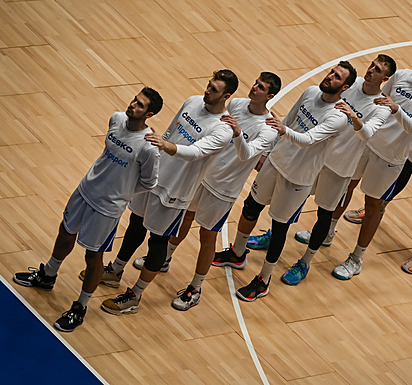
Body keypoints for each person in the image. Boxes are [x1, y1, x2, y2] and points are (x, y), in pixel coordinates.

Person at [13, 87, 163, 331]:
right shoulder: (116, 119)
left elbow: (149, 182)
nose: (133, 105)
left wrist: (121, 191)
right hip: (85, 190)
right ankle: (48, 275)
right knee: (65, 232)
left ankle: (80, 307)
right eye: (135, 100)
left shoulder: (148, 147)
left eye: (140, 105)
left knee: (93, 256)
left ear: (150, 114)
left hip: (108, 208)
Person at [97, 70, 238, 315]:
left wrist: (166, 145)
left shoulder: (223, 129)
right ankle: (115, 270)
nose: (206, 90)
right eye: (208, 85)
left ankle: (135, 296)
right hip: (155, 177)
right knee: (135, 223)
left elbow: (195, 152)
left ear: (226, 95)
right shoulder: (193, 101)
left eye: (213, 89)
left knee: (158, 240)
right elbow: (171, 132)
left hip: (177, 191)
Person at [213, 62, 356, 301]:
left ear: (345, 86)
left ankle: (263, 280)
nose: (330, 77)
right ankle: (238, 253)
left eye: (337, 76)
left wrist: (282, 131)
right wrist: (267, 152)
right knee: (251, 207)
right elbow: (287, 122)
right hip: (276, 163)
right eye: (331, 72)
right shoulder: (311, 92)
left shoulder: (339, 116)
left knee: (279, 227)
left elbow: (308, 139)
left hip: (298, 177)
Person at [137, 73, 281, 310]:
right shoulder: (236, 104)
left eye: (261, 87)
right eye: (255, 82)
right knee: (183, 217)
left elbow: (246, 154)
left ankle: (195, 287)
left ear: (270, 96)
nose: (254, 88)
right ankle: (165, 258)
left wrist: (237, 134)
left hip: (224, 189)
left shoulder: (268, 128)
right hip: (203, 175)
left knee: (207, 236)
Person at [330, 46, 412, 280]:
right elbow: (377, 101)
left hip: (391, 157)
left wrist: (396, 108)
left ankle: (356, 258)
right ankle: (327, 231)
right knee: (346, 187)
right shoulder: (401, 75)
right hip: (368, 142)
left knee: (373, 206)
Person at [281, 55, 396, 285]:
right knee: (292, 200)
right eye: (372, 65)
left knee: (325, 213)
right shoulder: (350, 84)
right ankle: (274, 235)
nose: (371, 70)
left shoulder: (381, 105)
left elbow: (367, 134)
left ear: (385, 78)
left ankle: (305, 261)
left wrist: (354, 117)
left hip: (342, 166)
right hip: (316, 156)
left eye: (377, 69)